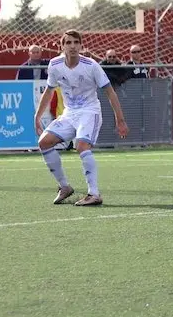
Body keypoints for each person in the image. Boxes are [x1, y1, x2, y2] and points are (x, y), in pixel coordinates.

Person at [34, 30, 129, 206]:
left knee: (81, 145)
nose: (72, 46)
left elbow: (109, 91)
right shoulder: (54, 65)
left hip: (89, 111)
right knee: (44, 142)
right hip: (70, 113)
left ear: (81, 45)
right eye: (68, 43)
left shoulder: (91, 65)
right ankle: (64, 187)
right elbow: (49, 91)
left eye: (76, 42)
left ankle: (94, 194)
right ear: (62, 46)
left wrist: (120, 119)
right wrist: (37, 116)